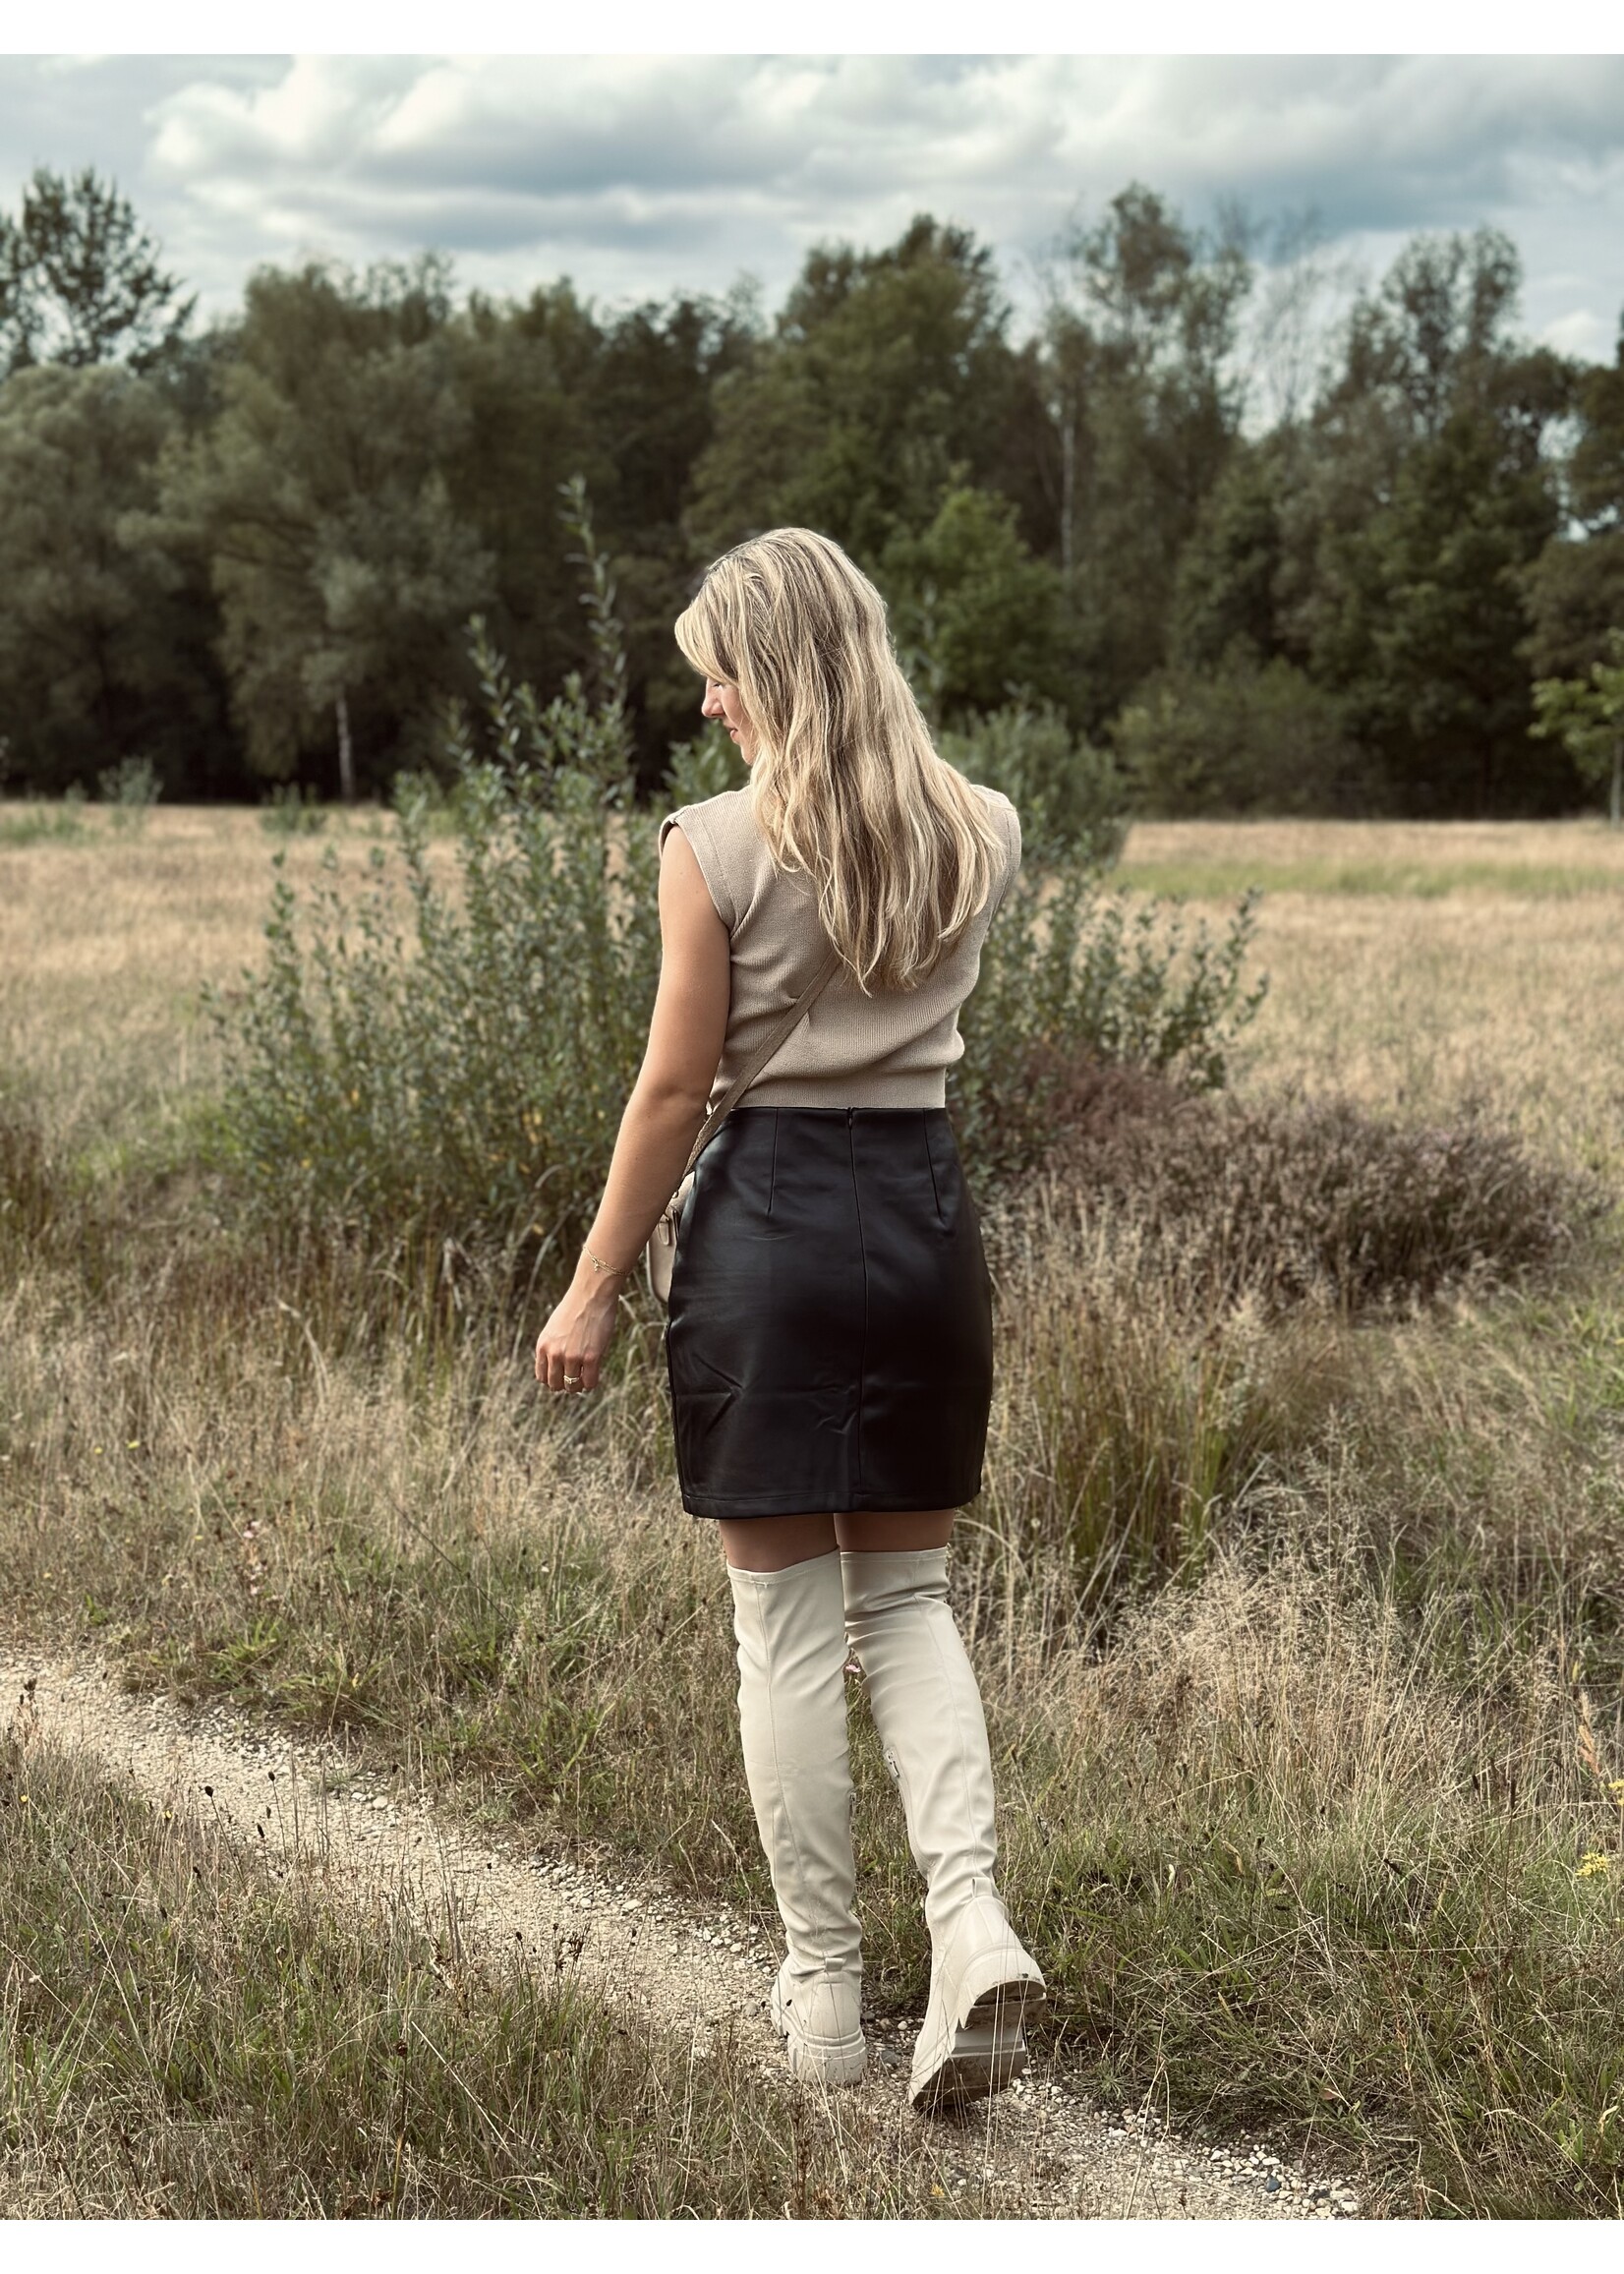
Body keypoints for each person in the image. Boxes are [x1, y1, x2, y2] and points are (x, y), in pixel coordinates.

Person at [533, 527, 1044, 2110]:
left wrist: (591, 1284)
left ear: (779, 669)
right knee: (910, 1601)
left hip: (770, 1228)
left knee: (789, 1627)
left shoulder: (712, 842)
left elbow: (676, 1086)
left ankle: (824, 1995)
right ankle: (969, 1928)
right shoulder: (987, 826)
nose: (706, 706)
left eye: (719, 673)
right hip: (926, 1221)